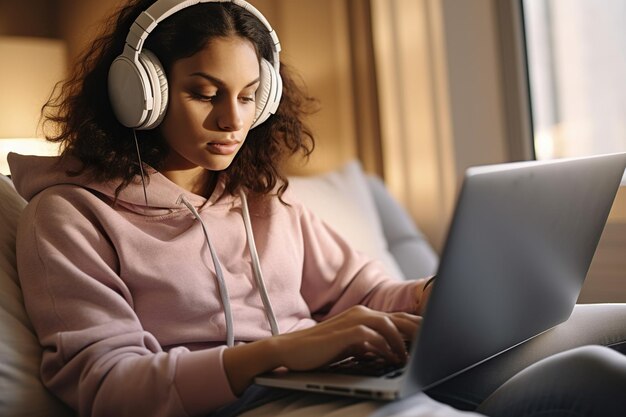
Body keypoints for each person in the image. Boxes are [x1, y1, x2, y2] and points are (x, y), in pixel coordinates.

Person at [7, 1, 626, 417]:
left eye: (250, 96)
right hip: (253, 403)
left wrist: (431, 296)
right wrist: (280, 353)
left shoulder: (262, 199)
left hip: (341, 378)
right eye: (204, 94)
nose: (232, 120)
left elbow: (368, 288)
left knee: (607, 343)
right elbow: (106, 383)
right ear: (140, 92)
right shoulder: (68, 218)